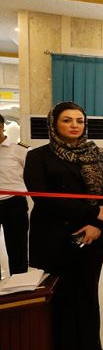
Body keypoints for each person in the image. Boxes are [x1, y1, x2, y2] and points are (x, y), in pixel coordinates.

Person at [23, 101, 103, 350]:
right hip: (55, 236)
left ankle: (89, 346)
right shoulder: (38, 156)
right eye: (67, 120)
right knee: (63, 295)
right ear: (54, 124)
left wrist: (96, 223)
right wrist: (93, 214)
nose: (74, 125)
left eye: (79, 121)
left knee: (88, 292)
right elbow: (44, 198)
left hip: (93, 235)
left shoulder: (97, 154)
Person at [0, 113, 29, 276]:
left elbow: (32, 176)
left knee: (17, 247)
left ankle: (18, 282)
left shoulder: (19, 150)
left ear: (1, 127)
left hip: (14, 203)